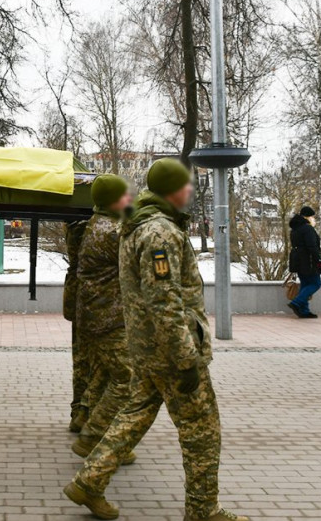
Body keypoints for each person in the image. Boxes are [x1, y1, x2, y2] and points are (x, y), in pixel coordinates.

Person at [64, 158, 249, 521]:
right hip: (171, 353)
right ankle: (203, 510)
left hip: (148, 350)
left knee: (134, 415)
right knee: (202, 432)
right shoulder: (159, 232)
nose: (190, 192)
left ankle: (89, 482)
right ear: (171, 190)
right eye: (185, 185)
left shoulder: (141, 225)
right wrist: (186, 358)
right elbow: (163, 300)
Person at [71, 175, 136, 466]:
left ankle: (96, 432)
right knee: (128, 377)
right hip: (108, 318)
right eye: (125, 196)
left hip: (96, 315)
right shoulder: (112, 230)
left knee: (103, 375)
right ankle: (94, 436)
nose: (130, 200)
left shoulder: (97, 224)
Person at [63, 219, 88, 432]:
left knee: (82, 364)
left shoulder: (77, 229)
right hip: (99, 313)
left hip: (83, 307)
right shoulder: (93, 232)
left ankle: (80, 412)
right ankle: (85, 416)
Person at [288, 206, 321, 319]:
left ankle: (304, 311)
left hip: (298, 261)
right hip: (308, 261)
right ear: (308, 217)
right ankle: (297, 302)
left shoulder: (295, 229)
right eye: (312, 216)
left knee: (305, 284)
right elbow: (312, 246)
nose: (314, 218)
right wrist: (318, 259)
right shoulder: (307, 229)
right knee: (315, 283)